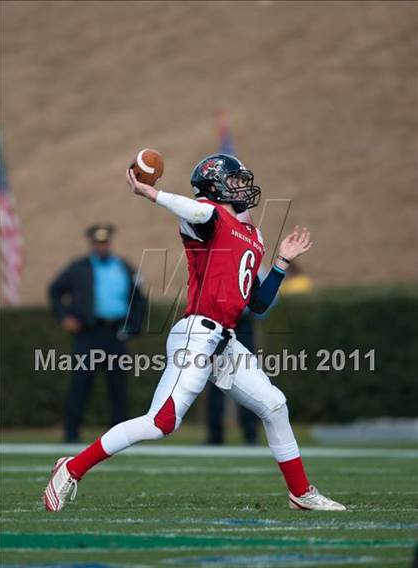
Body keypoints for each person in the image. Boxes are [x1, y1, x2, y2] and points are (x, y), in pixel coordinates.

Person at [43, 154, 346, 512]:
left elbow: (260, 303)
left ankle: (300, 492)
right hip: (197, 334)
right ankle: (72, 468)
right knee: (160, 423)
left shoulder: (253, 235)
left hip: (225, 341)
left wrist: (281, 263)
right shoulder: (206, 216)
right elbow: (199, 212)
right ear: (215, 185)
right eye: (233, 180)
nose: (242, 186)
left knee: (274, 405)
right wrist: (152, 194)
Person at [48, 224, 147, 443]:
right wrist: (64, 317)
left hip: (116, 334)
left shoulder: (124, 267)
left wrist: (133, 327)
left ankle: (119, 436)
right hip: (88, 334)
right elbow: (55, 291)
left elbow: (139, 299)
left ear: (110, 243)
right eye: (98, 243)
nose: (102, 246)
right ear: (92, 244)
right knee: (81, 384)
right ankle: (72, 433)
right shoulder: (79, 268)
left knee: (118, 386)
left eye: (105, 242)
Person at [205, 311, 259, 445]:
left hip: (242, 328)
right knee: (216, 383)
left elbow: (262, 308)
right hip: (220, 328)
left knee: (248, 384)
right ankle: (215, 436)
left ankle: (251, 436)